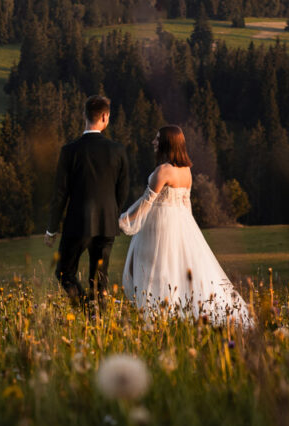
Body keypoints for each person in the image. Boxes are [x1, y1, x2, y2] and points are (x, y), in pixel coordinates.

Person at [118, 125, 254, 329]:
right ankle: (175, 312)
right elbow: (185, 204)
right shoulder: (186, 171)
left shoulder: (163, 171)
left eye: (157, 139)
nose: (154, 142)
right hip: (180, 223)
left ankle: (157, 315)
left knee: (156, 269)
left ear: (167, 143)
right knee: (176, 268)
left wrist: (124, 219)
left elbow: (146, 202)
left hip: (160, 225)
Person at [45, 95, 129, 309]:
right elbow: (123, 189)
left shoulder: (69, 151)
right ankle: (97, 319)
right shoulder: (118, 151)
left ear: (84, 116)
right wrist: (113, 213)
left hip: (77, 223)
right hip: (107, 224)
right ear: (105, 116)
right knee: (99, 281)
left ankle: (85, 310)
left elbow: (60, 193)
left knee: (64, 273)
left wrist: (51, 229)